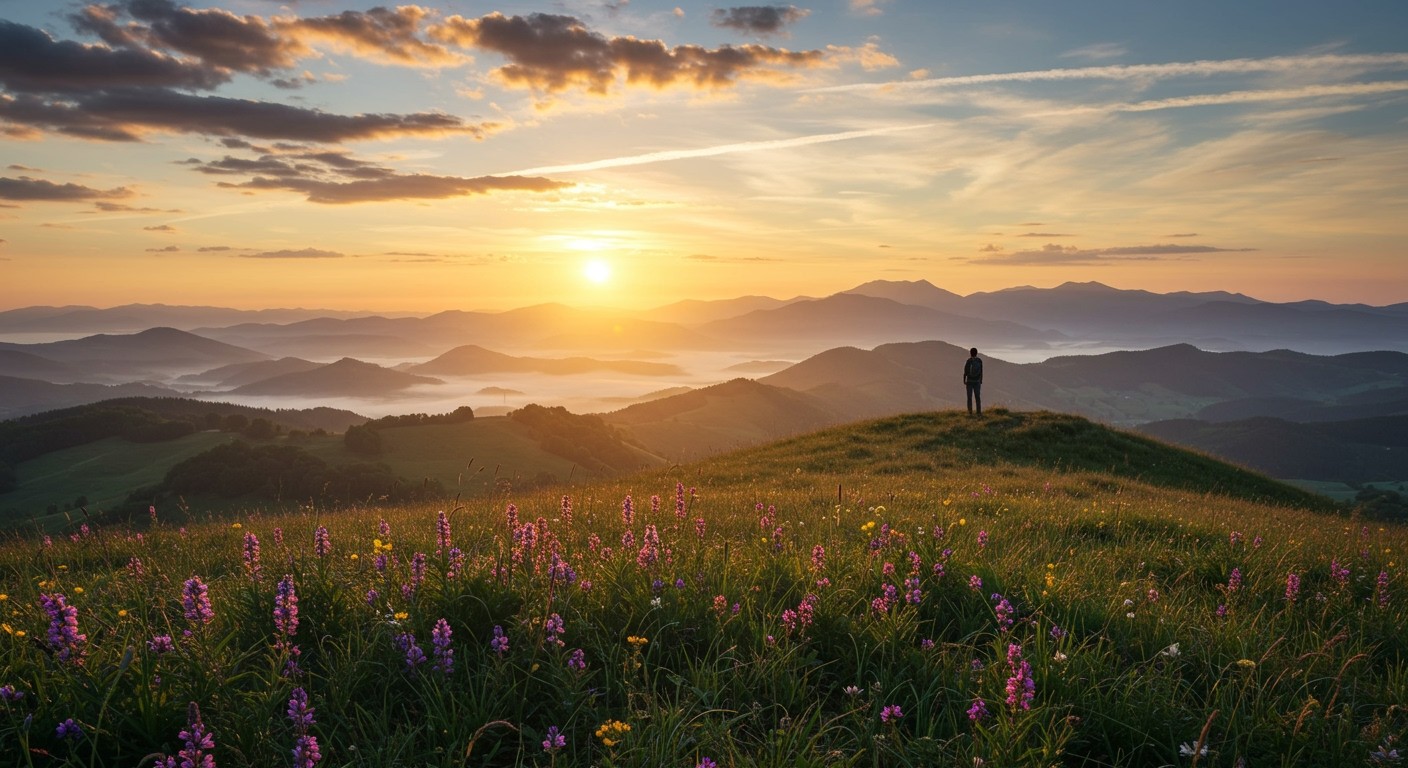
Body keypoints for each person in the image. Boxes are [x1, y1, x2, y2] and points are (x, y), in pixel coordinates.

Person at [962, 347, 983, 415]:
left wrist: (964, 380)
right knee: (977, 397)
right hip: (977, 381)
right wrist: (981, 380)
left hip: (970, 381)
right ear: (976, 353)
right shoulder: (979, 361)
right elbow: (981, 371)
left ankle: (970, 412)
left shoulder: (969, 361)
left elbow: (965, 371)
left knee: (969, 397)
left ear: (970, 353)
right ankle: (978, 412)